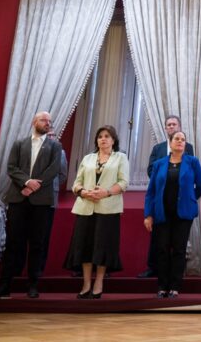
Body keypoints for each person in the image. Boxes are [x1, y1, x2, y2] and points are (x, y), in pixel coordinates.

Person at [0, 111, 63, 299]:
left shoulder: (55, 146)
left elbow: (54, 169)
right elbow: (11, 167)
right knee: (13, 243)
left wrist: (35, 185)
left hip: (42, 202)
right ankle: (5, 285)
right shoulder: (19, 143)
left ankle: (33, 284)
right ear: (34, 122)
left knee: (38, 244)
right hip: (18, 199)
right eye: (44, 120)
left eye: (50, 121)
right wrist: (27, 182)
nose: (48, 123)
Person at [65, 125, 129, 298]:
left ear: (113, 140)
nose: (103, 139)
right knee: (85, 247)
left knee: (103, 247)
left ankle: (99, 282)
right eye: (100, 136)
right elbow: (76, 183)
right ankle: (86, 283)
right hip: (85, 207)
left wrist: (105, 192)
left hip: (108, 210)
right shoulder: (88, 158)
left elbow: (123, 183)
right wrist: (83, 192)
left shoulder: (120, 158)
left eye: (107, 136)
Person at [144, 130, 201, 298]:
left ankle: (174, 287)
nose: (180, 141)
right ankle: (162, 287)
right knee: (162, 250)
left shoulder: (192, 162)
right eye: (177, 139)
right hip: (161, 214)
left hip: (183, 214)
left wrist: (190, 198)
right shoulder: (159, 164)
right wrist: (148, 215)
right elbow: (151, 192)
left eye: (183, 139)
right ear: (170, 143)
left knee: (179, 250)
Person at [139, 115, 196, 278]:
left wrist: (188, 196)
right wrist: (161, 182)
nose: (171, 127)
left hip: (181, 200)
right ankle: (153, 268)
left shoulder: (189, 147)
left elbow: (193, 173)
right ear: (165, 128)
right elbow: (151, 169)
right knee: (158, 239)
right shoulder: (158, 148)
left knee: (178, 241)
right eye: (168, 125)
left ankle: (176, 273)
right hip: (160, 198)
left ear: (179, 126)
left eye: (174, 124)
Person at [39, 125, 67, 274]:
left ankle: (40, 269)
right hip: (31, 196)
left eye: (53, 135)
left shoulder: (61, 152)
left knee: (44, 235)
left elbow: (62, 175)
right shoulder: (32, 149)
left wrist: (52, 184)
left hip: (50, 197)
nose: (50, 138)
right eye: (48, 135)